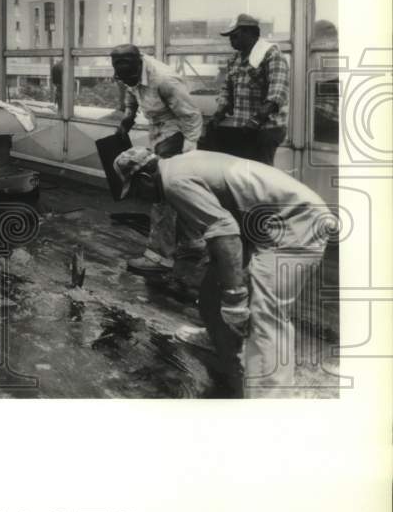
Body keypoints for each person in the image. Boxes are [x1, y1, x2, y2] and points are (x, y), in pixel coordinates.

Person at [113, 145, 328, 397]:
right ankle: (221, 337)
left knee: (267, 313)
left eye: (137, 190)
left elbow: (225, 233)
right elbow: (222, 226)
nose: (139, 198)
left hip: (296, 221)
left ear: (146, 178)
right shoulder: (176, 165)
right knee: (211, 289)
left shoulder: (174, 183)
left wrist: (235, 297)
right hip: (261, 219)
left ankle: (272, 401)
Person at [110, 44, 203, 275]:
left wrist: (188, 153)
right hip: (158, 130)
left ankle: (159, 258)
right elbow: (133, 90)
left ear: (139, 62)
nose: (125, 78)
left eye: (129, 74)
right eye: (120, 74)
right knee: (178, 193)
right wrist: (128, 119)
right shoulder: (127, 74)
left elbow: (192, 117)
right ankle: (194, 243)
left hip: (178, 131)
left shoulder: (164, 79)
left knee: (161, 193)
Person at [206, 13, 289, 166]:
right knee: (243, 172)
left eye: (234, 35)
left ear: (249, 33)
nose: (231, 40)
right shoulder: (235, 59)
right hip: (244, 127)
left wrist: (256, 120)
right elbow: (227, 90)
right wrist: (219, 113)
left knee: (262, 173)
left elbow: (277, 95)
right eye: (230, 36)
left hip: (267, 128)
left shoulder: (271, 54)